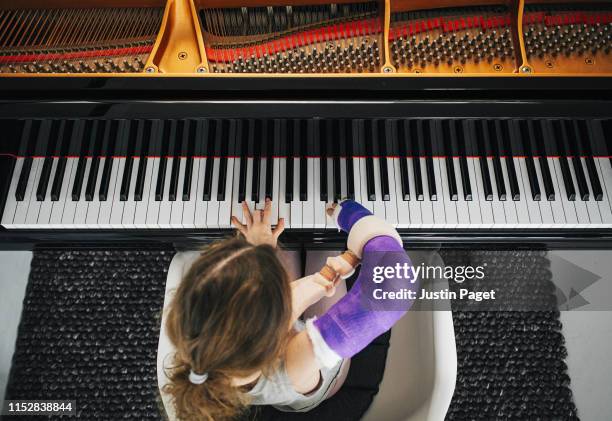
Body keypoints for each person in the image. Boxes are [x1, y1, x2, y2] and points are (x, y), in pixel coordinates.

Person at [161, 199, 417, 420]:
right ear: (276, 327)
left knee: (287, 244)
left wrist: (261, 246)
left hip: (272, 344)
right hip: (317, 370)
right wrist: (364, 226)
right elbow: (393, 292)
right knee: (323, 243)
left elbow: (263, 306)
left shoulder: (202, 346)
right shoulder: (294, 364)